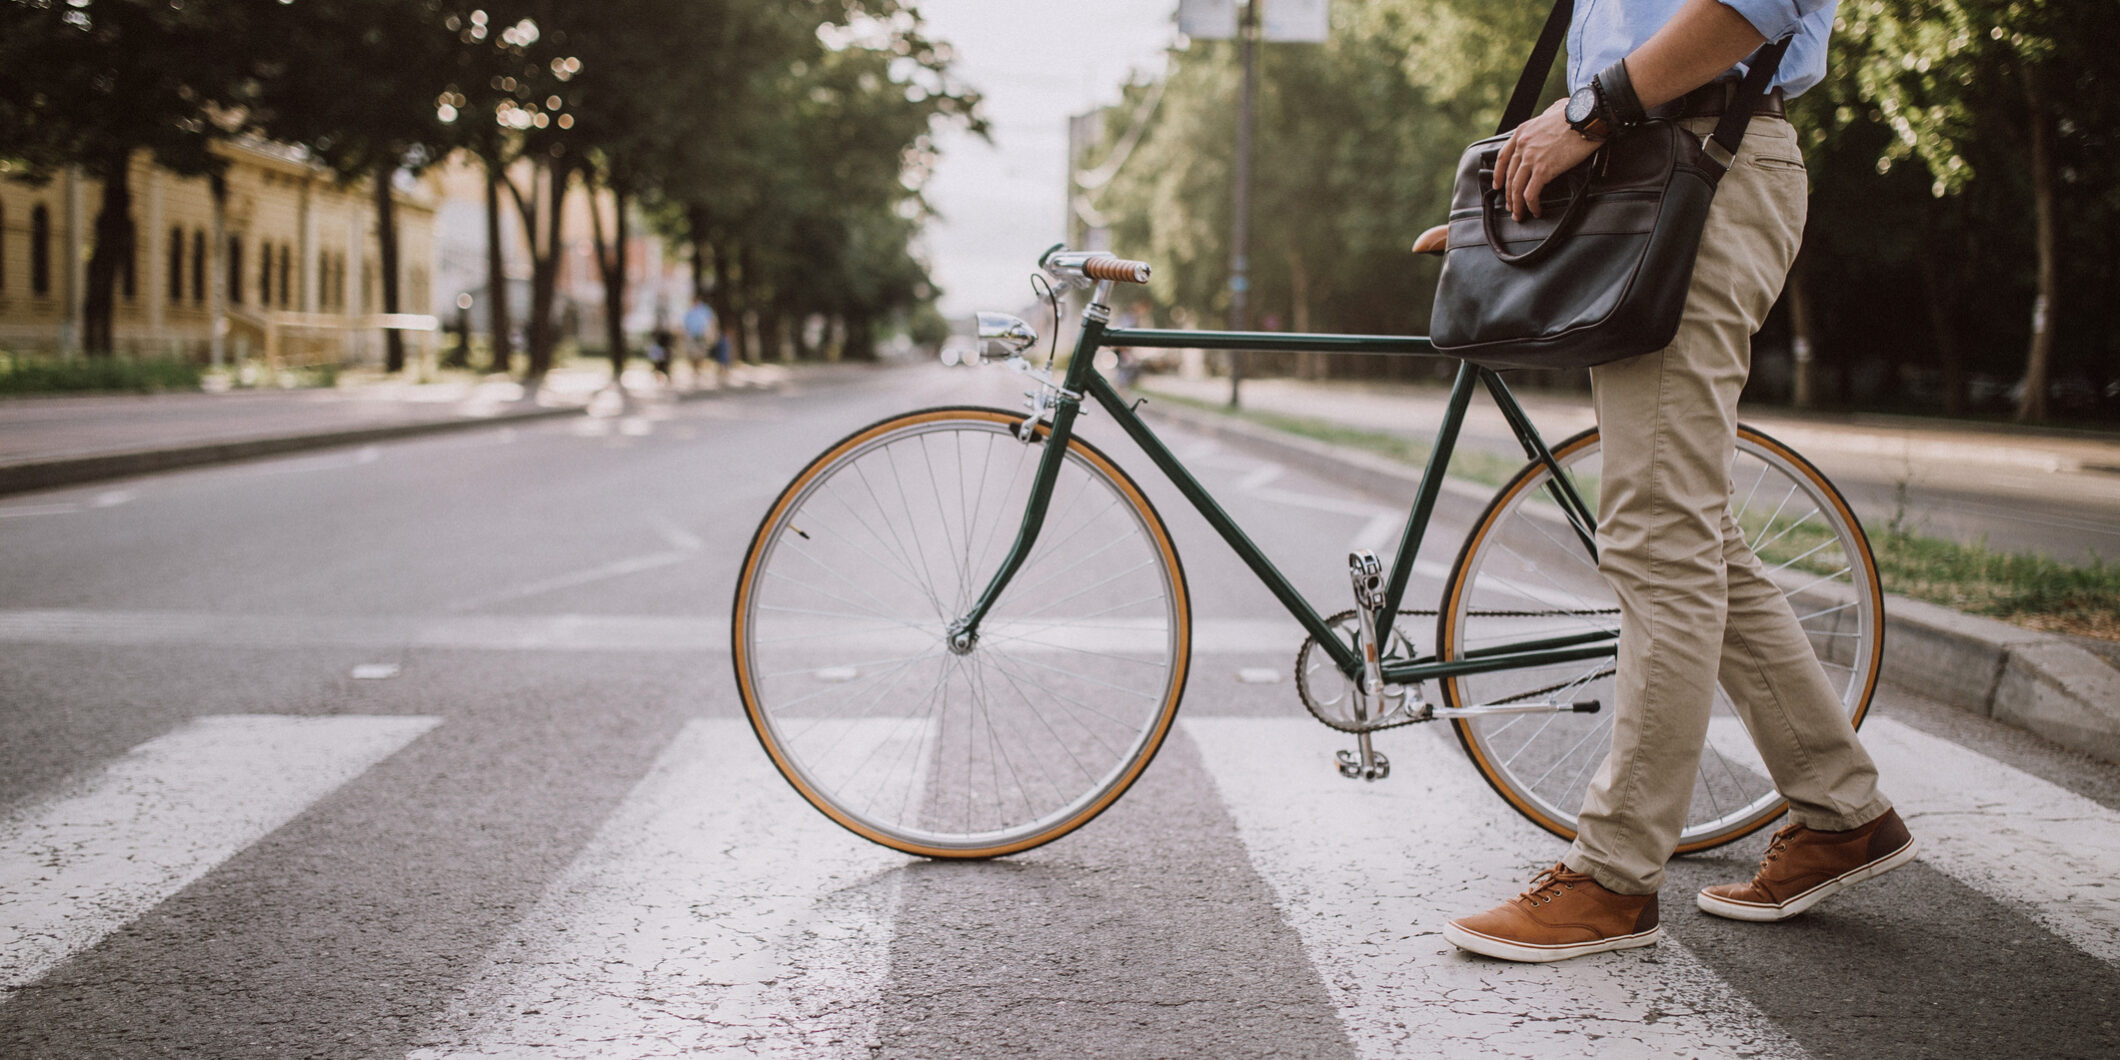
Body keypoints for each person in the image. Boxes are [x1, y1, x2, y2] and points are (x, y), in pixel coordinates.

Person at [1442, 0, 1915, 964]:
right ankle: (1842, 813)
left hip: (1702, 161)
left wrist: (1584, 116)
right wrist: (1532, 179)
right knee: (1692, 532)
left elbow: (1757, 6)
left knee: (1660, 534)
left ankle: (1613, 879)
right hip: (1643, 166)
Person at [684, 297, 722, 385]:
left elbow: (712, 320)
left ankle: (699, 369)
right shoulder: (689, 311)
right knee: (693, 353)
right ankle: (695, 370)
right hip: (692, 335)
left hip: (702, 334)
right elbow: (685, 322)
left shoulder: (705, 309)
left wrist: (712, 331)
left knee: (701, 353)